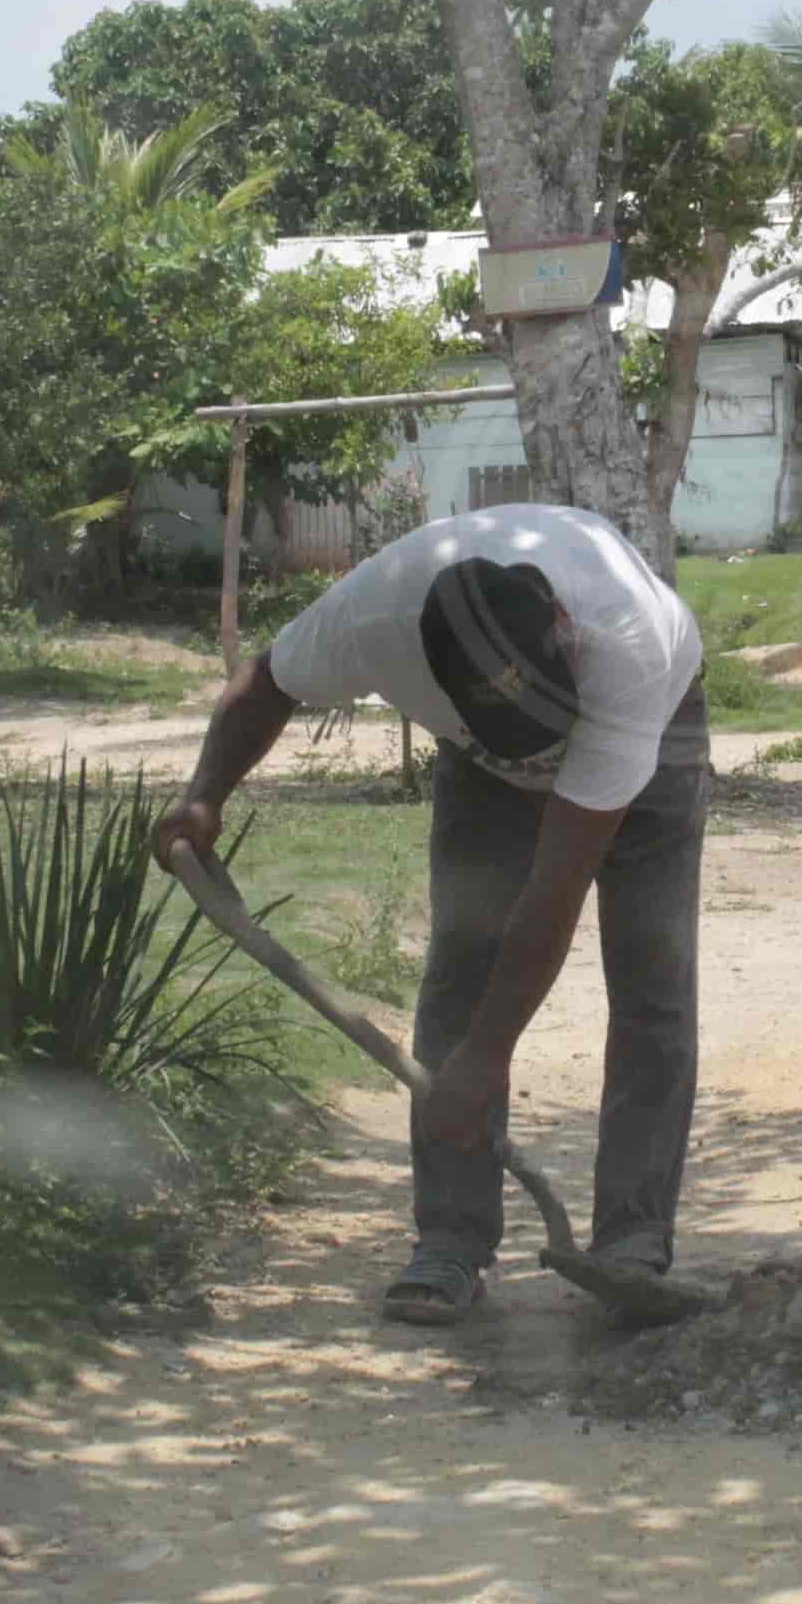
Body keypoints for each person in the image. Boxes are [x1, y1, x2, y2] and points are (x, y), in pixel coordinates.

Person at [153, 502, 708, 1324]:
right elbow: (266, 683)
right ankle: (451, 1239)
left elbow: (553, 894)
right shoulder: (373, 622)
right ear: (430, 675)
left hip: (653, 739)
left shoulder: (628, 647)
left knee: (650, 978)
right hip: (480, 770)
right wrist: (204, 798)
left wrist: (486, 1057)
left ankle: (632, 1242)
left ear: (562, 626)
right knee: (462, 969)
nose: (541, 759)